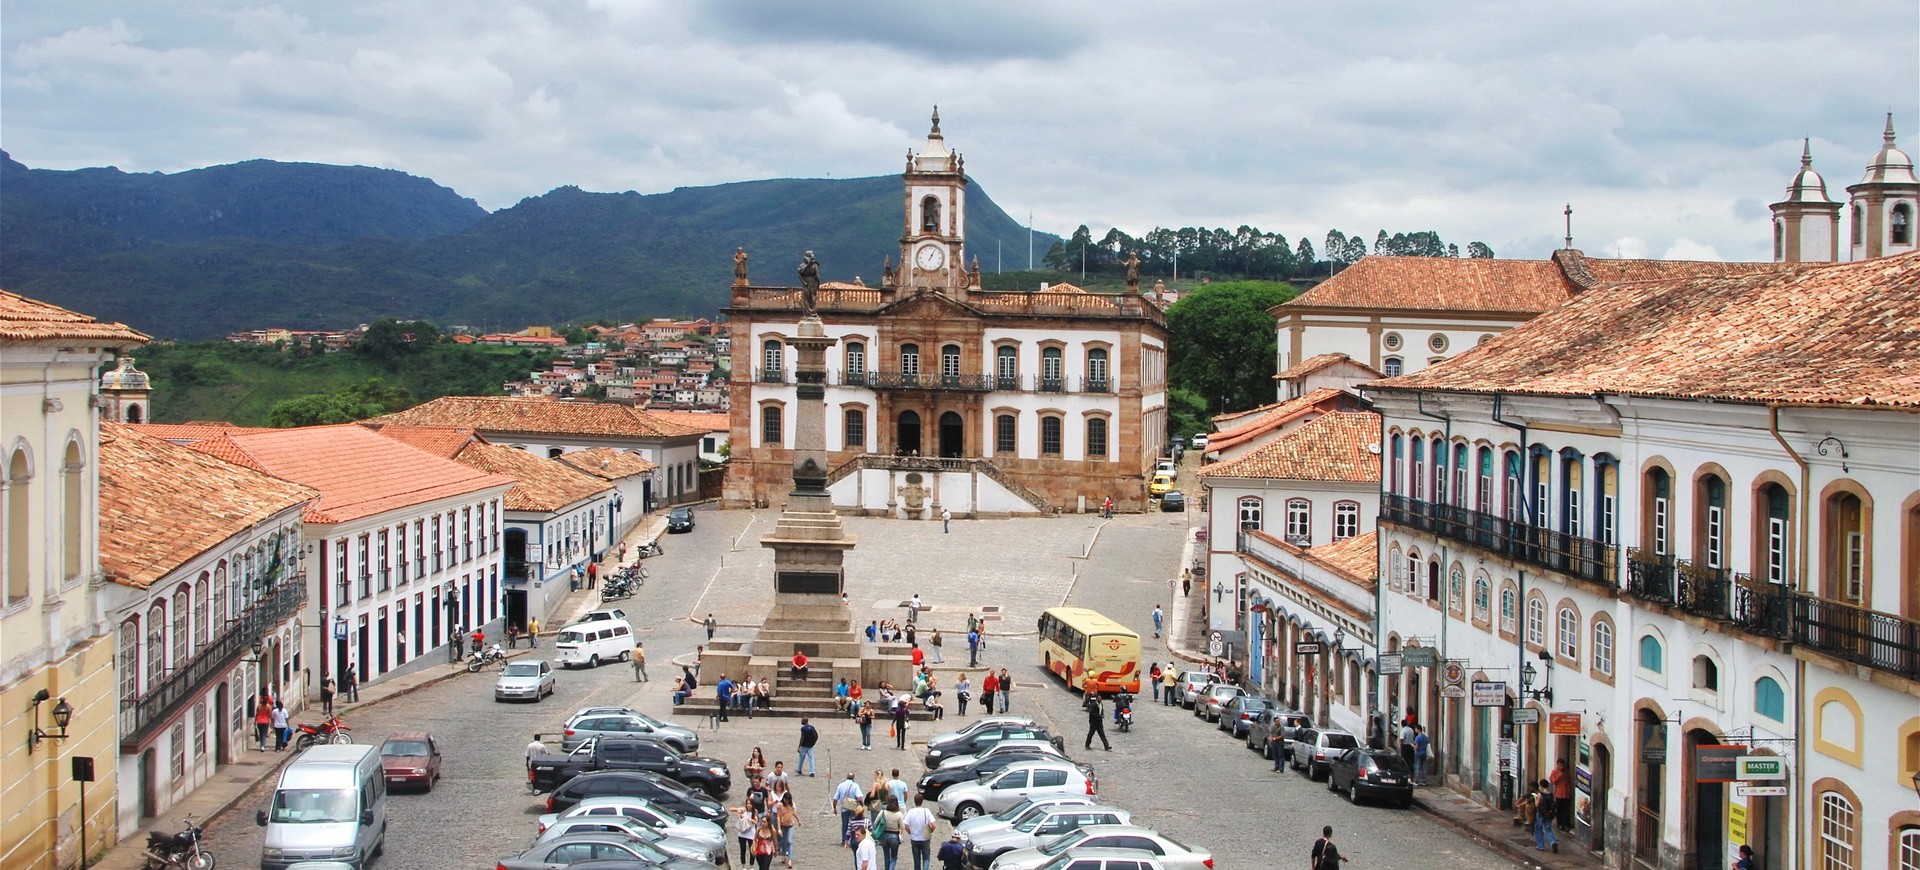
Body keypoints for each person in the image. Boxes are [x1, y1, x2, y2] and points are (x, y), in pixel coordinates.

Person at [903, 796, 937, 870]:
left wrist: (911, 832)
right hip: (925, 838)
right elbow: (934, 825)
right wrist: (930, 831)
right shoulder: (926, 811)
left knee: (916, 859)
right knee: (926, 858)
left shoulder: (911, 812)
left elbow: (906, 826)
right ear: (922, 801)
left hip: (914, 838)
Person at [833, 774, 865, 845]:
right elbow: (859, 797)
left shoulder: (841, 785)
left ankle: (844, 840)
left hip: (844, 808)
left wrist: (834, 808)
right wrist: (862, 806)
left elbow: (835, 798)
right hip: (853, 808)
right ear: (853, 778)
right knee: (854, 824)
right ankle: (854, 839)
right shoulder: (855, 785)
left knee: (845, 824)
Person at [875, 797, 903, 870]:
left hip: (884, 835)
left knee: (886, 855)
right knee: (894, 856)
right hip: (894, 835)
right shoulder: (899, 814)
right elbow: (902, 827)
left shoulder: (883, 812)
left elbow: (875, 822)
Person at [1534, 779, 1560, 853]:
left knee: (1539, 829)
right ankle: (1553, 842)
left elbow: (1537, 805)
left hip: (1541, 814)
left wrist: (1536, 798)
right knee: (1548, 829)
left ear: (1541, 786)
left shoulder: (1540, 794)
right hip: (1549, 814)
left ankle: (1540, 845)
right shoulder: (1551, 794)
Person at [1083, 684, 1111, 751]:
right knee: (1091, 734)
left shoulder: (1101, 704)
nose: (1100, 700)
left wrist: (1102, 714)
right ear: (1096, 699)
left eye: (1100, 699)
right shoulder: (1093, 705)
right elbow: (1092, 713)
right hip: (1094, 722)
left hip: (1099, 722)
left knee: (1102, 734)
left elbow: (1101, 710)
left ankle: (1106, 746)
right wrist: (1099, 716)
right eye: (1099, 699)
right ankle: (1087, 744)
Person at [776, 792, 799, 868]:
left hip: (790, 825)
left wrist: (798, 820)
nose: (787, 801)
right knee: (783, 841)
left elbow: (793, 813)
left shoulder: (791, 805)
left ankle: (790, 859)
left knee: (789, 841)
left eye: (788, 800)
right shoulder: (780, 805)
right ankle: (784, 855)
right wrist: (779, 828)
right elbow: (778, 817)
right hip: (783, 825)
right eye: (786, 800)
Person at [1551, 758, 1574, 831]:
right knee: (1559, 810)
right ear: (1557, 765)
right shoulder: (1554, 772)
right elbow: (1553, 782)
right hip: (1559, 794)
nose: (1561, 767)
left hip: (1567, 794)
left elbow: (1570, 782)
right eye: (1560, 765)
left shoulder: (1567, 772)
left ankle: (1566, 825)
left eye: (1562, 765)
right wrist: (1558, 776)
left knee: (1566, 810)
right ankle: (1560, 824)